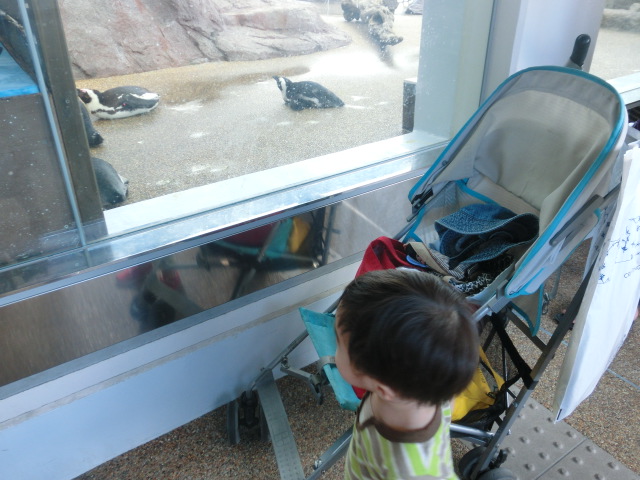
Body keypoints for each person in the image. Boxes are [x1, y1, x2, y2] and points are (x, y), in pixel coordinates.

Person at [334, 269, 479, 479]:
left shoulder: (410, 471)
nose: (334, 351)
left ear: (384, 388)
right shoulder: (428, 381)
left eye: (338, 343)